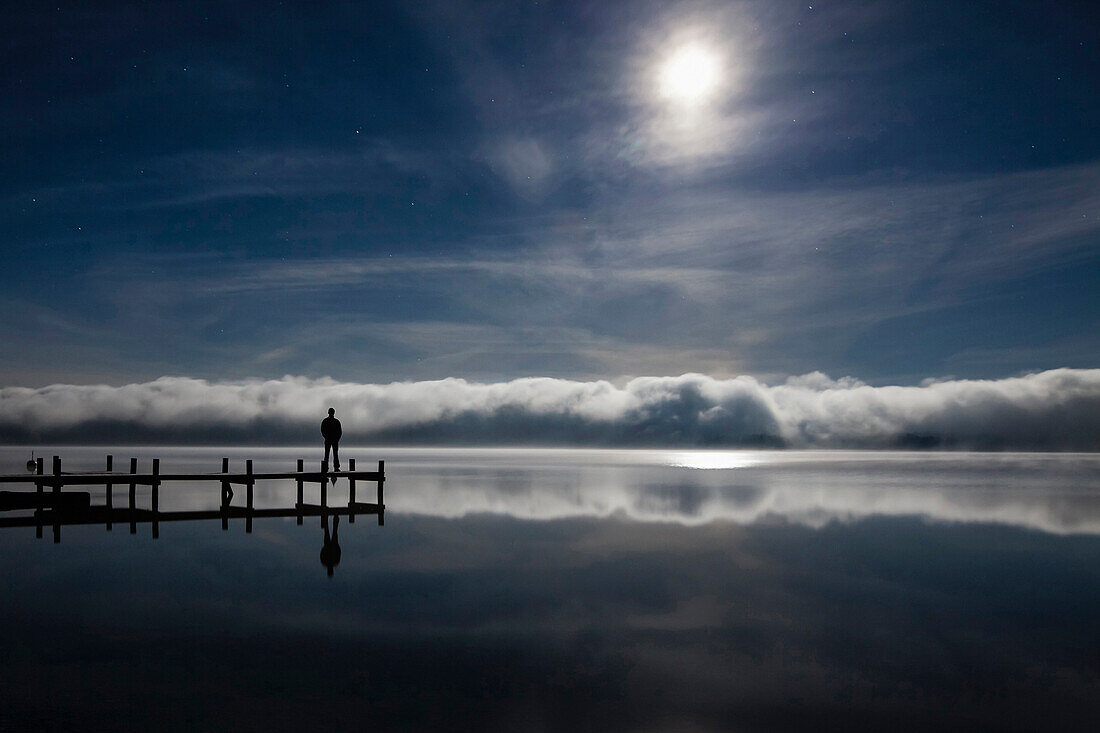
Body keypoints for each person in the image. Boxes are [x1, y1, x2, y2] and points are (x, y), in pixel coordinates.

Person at [321, 407, 342, 471]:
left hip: (331, 440)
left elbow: (322, 430)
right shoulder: (336, 421)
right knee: (332, 454)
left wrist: (327, 437)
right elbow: (340, 432)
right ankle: (335, 467)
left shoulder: (326, 421)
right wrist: (336, 439)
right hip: (332, 440)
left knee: (329, 454)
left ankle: (328, 467)